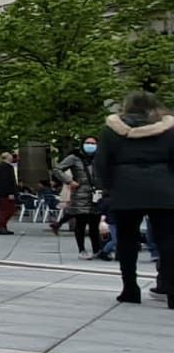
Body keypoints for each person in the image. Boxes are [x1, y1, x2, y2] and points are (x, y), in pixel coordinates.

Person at [94, 91, 174, 306]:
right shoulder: (169, 129)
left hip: (125, 188)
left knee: (127, 239)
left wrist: (108, 187)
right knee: (167, 239)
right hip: (163, 188)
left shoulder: (112, 131)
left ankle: (130, 288)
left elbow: (101, 162)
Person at [52, 138, 103, 260]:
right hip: (80, 193)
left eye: (93, 143)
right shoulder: (74, 157)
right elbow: (57, 169)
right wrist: (69, 181)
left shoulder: (100, 156)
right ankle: (82, 249)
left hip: (96, 194)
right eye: (88, 143)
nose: (90, 146)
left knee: (95, 224)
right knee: (81, 222)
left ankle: (97, 250)